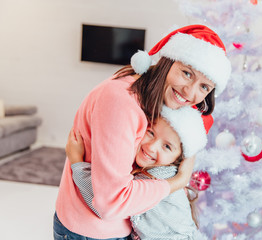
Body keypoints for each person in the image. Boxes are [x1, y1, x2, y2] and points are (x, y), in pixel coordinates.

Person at [54, 24, 231, 240]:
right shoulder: (123, 102)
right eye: (187, 73)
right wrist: (178, 181)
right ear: (168, 61)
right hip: (95, 232)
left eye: (204, 87)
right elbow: (110, 204)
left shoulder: (159, 103)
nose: (190, 92)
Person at [67, 106, 209, 239]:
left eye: (167, 146)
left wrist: (76, 161)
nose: (152, 147)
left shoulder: (154, 178)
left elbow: (106, 204)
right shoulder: (161, 171)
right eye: (151, 132)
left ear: (178, 159)